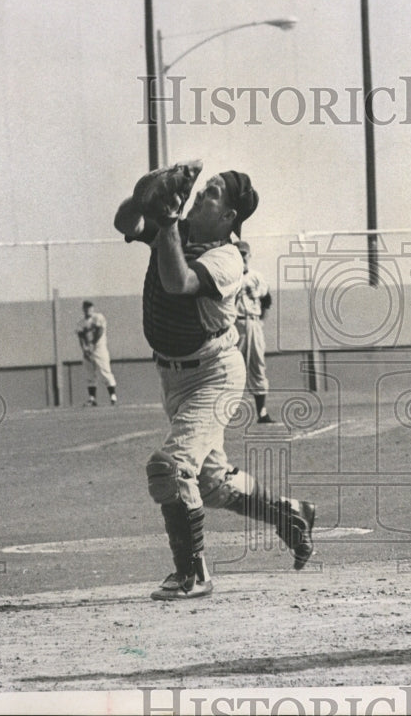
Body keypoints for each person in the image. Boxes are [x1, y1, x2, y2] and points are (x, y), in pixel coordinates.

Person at [114, 160, 316, 601]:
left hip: (215, 374)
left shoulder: (226, 259)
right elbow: (124, 221)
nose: (202, 193)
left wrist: (166, 218)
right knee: (211, 485)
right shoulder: (181, 229)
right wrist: (147, 191)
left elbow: (176, 281)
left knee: (169, 467)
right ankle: (289, 514)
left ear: (228, 217)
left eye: (213, 193)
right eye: (205, 187)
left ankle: (194, 574)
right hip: (175, 376)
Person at [235, 241, 275, 424]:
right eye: (238, 253)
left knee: (258, 365)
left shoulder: (256, 276)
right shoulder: (228, 276)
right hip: (235, 325)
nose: (242, 257)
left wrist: (260, 323)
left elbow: (267, 300)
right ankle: (225, 414)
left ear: (249, 256)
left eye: (244, 254)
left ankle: (262, 413)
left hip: (253, 323)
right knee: (230, 367)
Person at [76, 300, 118, 406]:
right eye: (86, 308)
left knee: (105, 371)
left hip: (100, 349)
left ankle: (113, 396)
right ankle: (92, 398)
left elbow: (100, 331)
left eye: (90, 308)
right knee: (90, 374)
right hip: (89, 350)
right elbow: (81, 337)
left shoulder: (98, 317)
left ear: (93, 308)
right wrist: (85, 349)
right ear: (83, 309)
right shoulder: (81, 323)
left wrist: (92, 344)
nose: (88, 310)